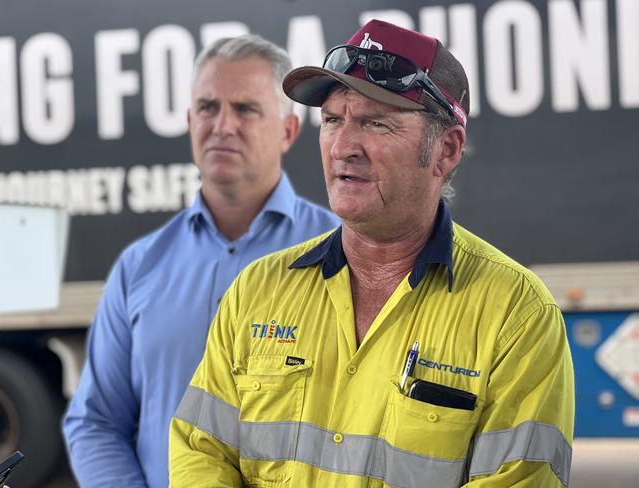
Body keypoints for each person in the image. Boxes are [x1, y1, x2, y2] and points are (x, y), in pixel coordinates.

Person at [169, 19, 574, 488]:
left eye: (376, 123)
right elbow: (201, 451)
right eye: (334, 120)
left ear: (445, 150)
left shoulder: (515, 316)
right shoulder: (257, 291)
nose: (342, 147)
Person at [62, 34, 339, 488]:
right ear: (190, 121)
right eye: (208, 108)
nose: (222, 125)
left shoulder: (340, 250)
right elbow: (95, 423)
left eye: (245, 109)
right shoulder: (139, 267)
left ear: (289, 131)